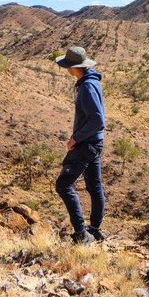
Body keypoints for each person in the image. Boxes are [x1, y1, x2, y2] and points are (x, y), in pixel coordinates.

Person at [54, 46, 106, 244]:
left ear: (74, 67)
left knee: (63, 184)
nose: (66, 69)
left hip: (87, 143)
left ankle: (82, 234)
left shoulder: (86, 87)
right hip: (94, 142)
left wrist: (76, 138)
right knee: (94, 186)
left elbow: (97, 120)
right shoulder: (89, 82)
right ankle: (95, 230)